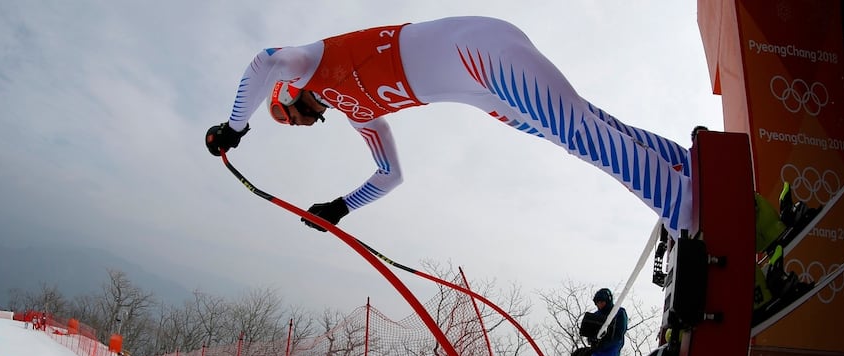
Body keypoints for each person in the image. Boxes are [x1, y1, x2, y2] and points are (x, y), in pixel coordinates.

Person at [206, 16, 692, 236]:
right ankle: (685, 166)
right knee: (581, 125)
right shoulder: (357, 112)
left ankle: (685, 209)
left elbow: (262, 61)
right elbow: (390, 175)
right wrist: (341, 207)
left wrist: (234, 128)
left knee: (576, 133)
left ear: (288, 93)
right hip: (485, 94)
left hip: (483, 51)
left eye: (285, 115)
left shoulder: (305, 62)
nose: (296, 124)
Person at [564, 288, 628, 356]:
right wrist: (592, 339)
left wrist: (604, 342)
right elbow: (590, 333)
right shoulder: (596, 315)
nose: (599, 305)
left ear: (608, 301)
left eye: (602, 302)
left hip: (611, 352)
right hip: (595, 354)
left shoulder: (619, 313)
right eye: (597, 303)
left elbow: (619, 334)